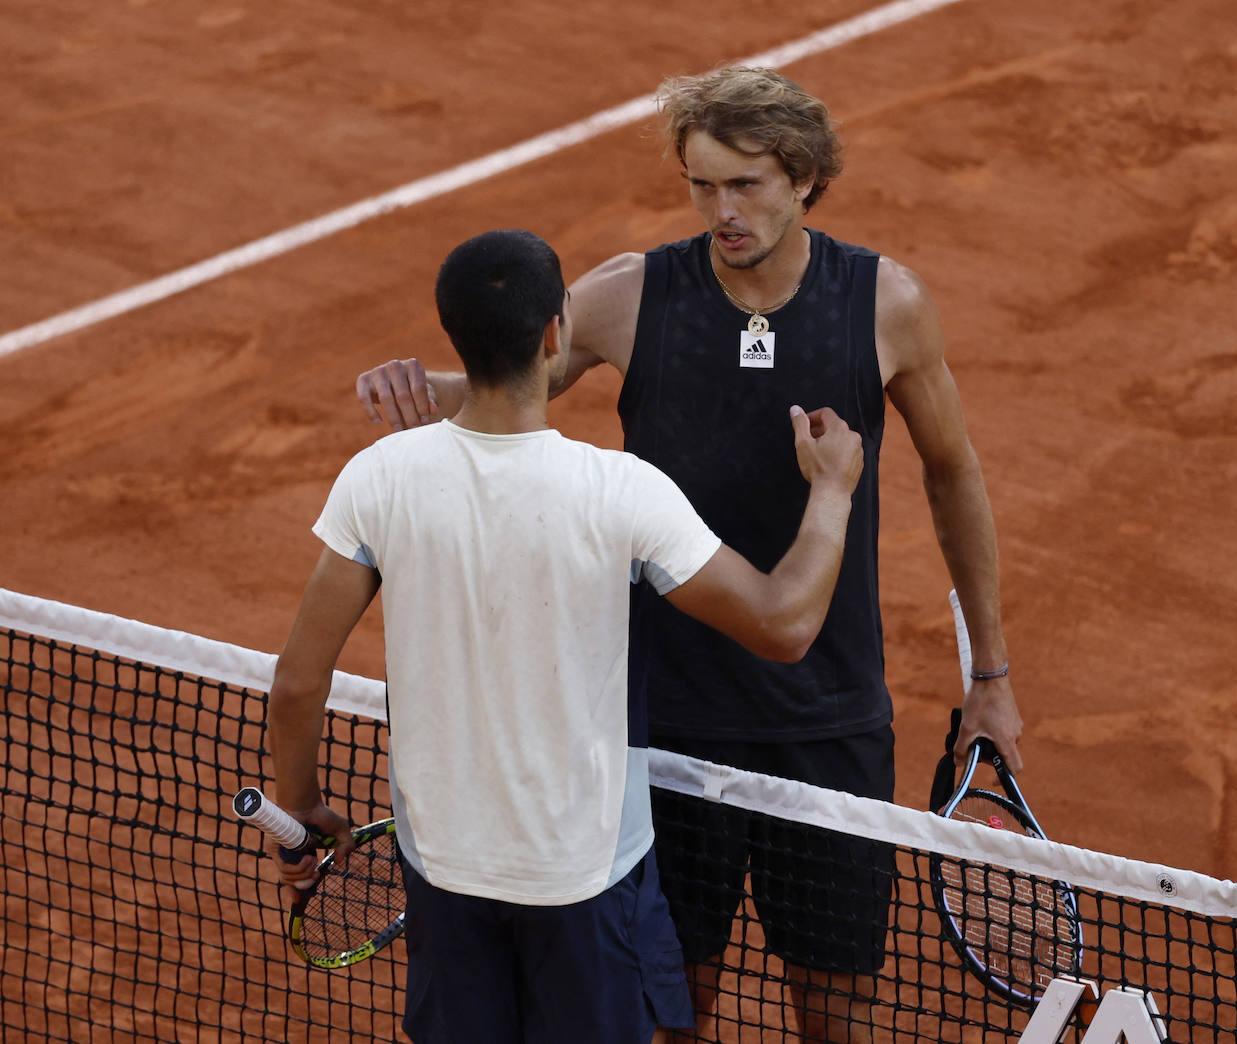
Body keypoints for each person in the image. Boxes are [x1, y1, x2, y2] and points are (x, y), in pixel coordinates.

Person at [355, 67, 1023, 1044]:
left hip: (827, 724)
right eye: (702, 186)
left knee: (837, 1017)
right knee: (676, 1011)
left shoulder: (886, 305)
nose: (722, 211)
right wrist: (422, 386)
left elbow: (954, 473)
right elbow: (509, 385)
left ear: (802, 179)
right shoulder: (632, 295)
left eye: (745, 185)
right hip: (662, 726)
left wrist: (992, 677)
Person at [265, 228, 864, 1044]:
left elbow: (300, 681)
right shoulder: (621, 494)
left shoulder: (380, 476)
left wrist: (299, 812)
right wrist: (831, 493)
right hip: (587, 883)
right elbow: (784, 624)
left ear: (455, 337)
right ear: (557, 332)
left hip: (442, 871)